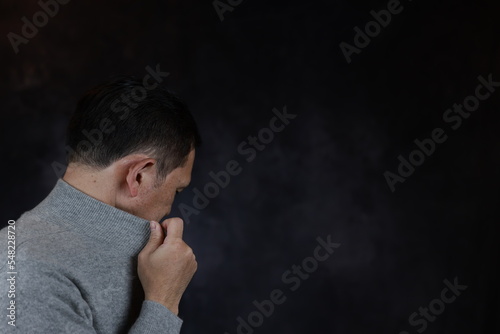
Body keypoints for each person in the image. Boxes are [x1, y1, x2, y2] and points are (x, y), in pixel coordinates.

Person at [0, 76, 201, 333]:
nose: (170, 209)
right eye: (177, 190)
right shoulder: (28, 274)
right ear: (139, 175)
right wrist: (163, 303)